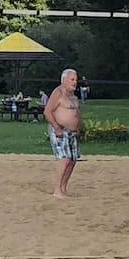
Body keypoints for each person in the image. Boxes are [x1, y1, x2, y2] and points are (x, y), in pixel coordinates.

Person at [44, 68, 84, 198]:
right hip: (60, 130)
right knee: (64, 159)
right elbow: (47, 111)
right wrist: (57, 128)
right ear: (64, 80)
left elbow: (76, 113)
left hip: (72, 133)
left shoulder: (73, 96)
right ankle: (57, 189)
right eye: (72, 79)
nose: (75, 82)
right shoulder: (58, 92)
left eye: (76, 80)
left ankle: (63, 187)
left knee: (72, 160)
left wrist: (78, 126)